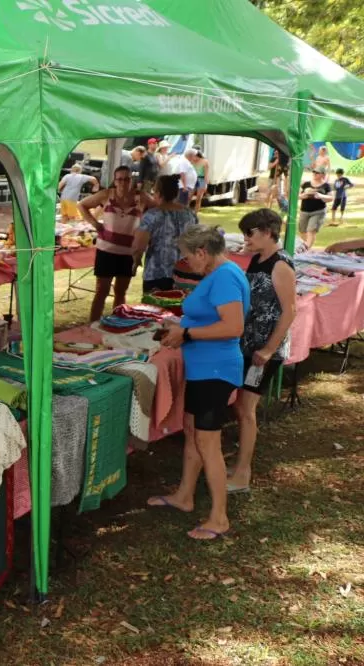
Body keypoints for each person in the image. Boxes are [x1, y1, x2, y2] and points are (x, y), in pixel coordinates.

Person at [147, 225, 250, 540]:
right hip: (203, 368)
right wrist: (179, 326)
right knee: (192, 434)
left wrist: (187, 333)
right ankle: (185, 496)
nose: (186, 262)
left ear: (203, 252)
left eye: (188, 256)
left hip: (215, 371)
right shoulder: (220, 275)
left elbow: (233, 326)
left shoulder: (225, 277)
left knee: (208, 443)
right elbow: (211, 318)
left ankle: (219, 517)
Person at [228, 209, 296, 494]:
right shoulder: (257, 258)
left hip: (264, 351)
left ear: (268, 232)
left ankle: (243, 472)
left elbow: (290, 311)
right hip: (249, 345)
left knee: (246, 409)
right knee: (241, 407)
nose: (246, 239)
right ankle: (240, 463)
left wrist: (268, 350)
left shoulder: (281, 265)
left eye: (250, 233)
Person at [79, 165, 152, 322]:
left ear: (131, 180)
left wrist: (146, 232)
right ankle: (93, 325)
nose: (123, 183)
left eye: (127, 179)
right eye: (120, 179)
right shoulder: (107, 195)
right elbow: (82, 205)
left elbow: (158, 210)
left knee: (120, 291)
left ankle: (118, 325)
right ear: (115, 180)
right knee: (101, 290)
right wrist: (95, 224)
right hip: (106, 250)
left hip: (129, 253)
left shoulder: (142, 197)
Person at [132, 175, 198, 292]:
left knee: (155, 309)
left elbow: (139, 246)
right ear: (176, 193)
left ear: (158, 193)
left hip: (156, 274)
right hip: (184, 273)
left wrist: (135, 263)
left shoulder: (152, 215)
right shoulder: (190, 214)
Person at [298, 167, 334, 248]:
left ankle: (306, 249)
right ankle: (303, 248)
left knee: (311, 230)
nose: (314, 174)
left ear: (322, 175)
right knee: (302, 231)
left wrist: (320, 196)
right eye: (314, 172)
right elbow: (298, 196)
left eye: (317, 173)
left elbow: (331, 198)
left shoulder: (326, 185)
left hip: (318, 212)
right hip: (304, 211)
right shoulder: (306, 184)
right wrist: (304, 195)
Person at [191, 145, 211, 214]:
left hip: (201, 179)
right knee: (189, 197)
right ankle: (186, 213)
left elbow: (206, 174)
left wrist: (205, 184)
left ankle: (195, 214)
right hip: (193, 179)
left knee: (198, 198)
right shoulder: (190, 160)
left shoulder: (205, 161)